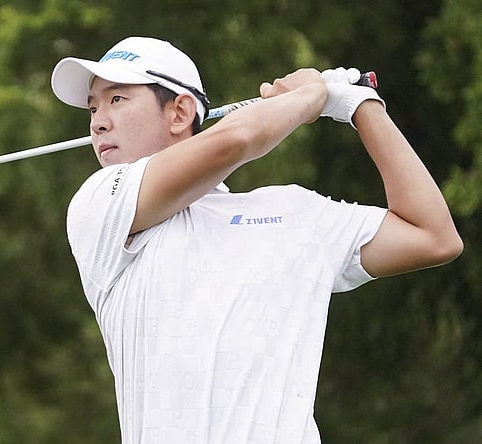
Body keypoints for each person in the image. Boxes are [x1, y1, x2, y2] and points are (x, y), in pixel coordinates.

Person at [50, 36, 462, 443]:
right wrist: (309, 98)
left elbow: (431, 235)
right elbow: (234, 141)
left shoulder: (295, 214)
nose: (98, 121)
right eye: (92, 107)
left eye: (116, 100)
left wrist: (359, 105)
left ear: (179, 112)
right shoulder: (101, 207)